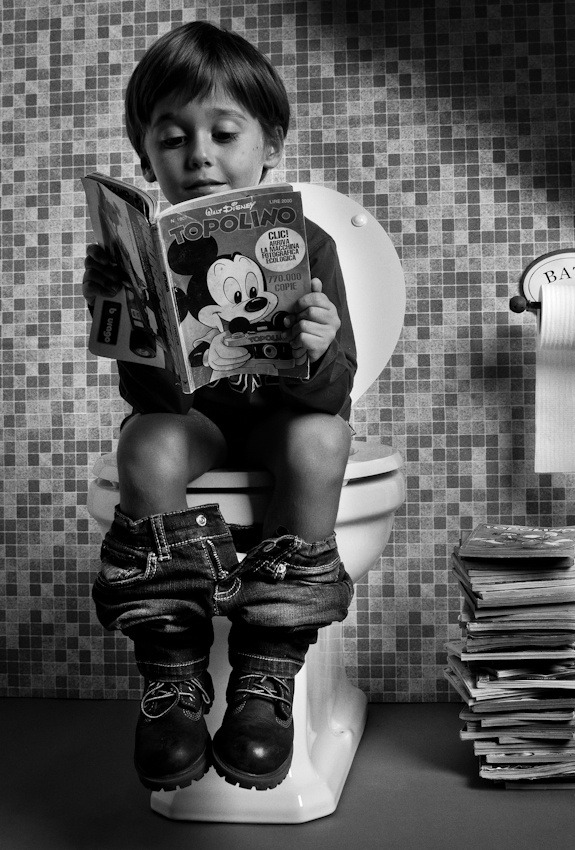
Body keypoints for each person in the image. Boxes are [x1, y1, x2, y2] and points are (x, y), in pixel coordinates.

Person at [83, 21, 357, 793]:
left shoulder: (310, 244)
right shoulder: (137, 253)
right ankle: (172, 677)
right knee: (146, 444)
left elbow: (332, 396)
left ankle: (266, 671)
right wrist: (123, 316)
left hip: (281, 422)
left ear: (269, 144)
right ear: (147, 159)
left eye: (223, 133)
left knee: (322, 441)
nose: (198, 154)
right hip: (197, 422)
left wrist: (317, 346)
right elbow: (151, 404)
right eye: (173, 139)